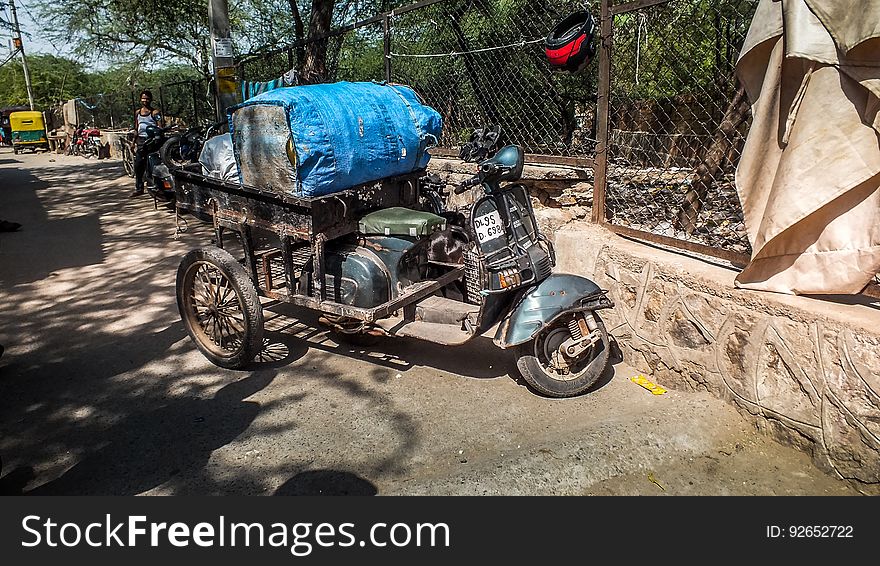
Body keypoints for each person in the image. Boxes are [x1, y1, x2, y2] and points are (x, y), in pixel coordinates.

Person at [130, 89, 164, 198]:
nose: (145, 100)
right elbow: (136, 128)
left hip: (152, 141)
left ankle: (157, 186)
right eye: (143, 98)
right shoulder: (137, 113)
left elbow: (160, 127)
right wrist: (133, 142)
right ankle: (139, 188)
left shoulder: (155, 113)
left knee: (154, 164)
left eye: (147, 98)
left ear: (151, 99)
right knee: (139, 165)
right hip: (141, 141)